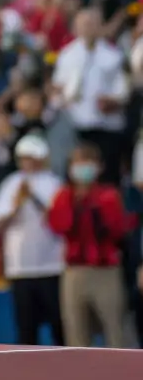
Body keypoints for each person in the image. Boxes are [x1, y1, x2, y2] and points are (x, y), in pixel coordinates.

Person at [47, 142, 127, 348]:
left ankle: (122, 377)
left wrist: (90, 203)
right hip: (75, 271)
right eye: (77, 162)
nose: (82, 167)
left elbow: (116, 229)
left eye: (87, 162)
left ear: (99, 167)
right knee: (75, 331)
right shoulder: (63, 195)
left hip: (105, 271)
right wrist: (76, 202)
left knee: (115, 329)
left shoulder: (109, 195)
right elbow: (58, 225)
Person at [0, 133, 65, 346]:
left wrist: (33, 197)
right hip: (20, 268)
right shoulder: (10, 183)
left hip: (52, 265)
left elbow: (58, 221)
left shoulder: (55, 183)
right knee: (26, 329)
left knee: (58, 326)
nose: (28, 161)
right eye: (24, 157)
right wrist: (16, 205)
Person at [52, 5, 129, 184]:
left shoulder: (114, 54)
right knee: (77, 178)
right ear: (76, 27)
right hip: (76, 125)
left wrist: (114, 101)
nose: (88, 28)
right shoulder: (67, 55)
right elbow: (58, 88)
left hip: (107, 126)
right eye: (84, 24)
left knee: (107, 178)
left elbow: (123, 89)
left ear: (100, 26)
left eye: (92, 23)